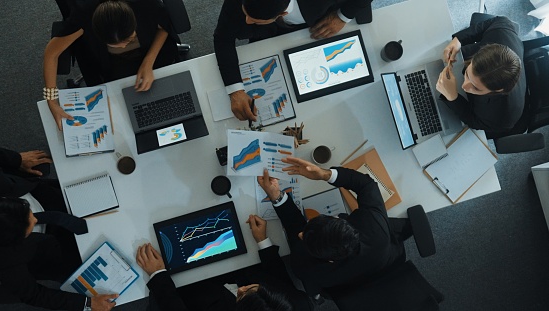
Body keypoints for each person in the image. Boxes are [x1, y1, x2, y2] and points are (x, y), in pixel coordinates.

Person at [257, 156, 405, 296]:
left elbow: (295, 228)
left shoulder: (305, 268)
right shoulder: (375, 226)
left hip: (351, 282)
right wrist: (324, 174)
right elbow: (367, 185)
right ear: (338, 219)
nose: (300, 234)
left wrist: (276, 196)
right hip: (384, 264)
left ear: (330, 261)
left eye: (304, 237)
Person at [213, 0, 373, 121]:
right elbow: (223, 37)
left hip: (317, 21)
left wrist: (343, 16)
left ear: (282, 15)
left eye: (253, 19)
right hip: (267, 35)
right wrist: (235, 90)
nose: (246, 20)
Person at [43, 0, 181, 130]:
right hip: (112, 62)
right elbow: (52, 53)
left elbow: (164, 27)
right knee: (120, 115)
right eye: (114, 44)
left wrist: (148, 62)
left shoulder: (145, 3)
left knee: (171, 98)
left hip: (151, 50)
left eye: (129, 39)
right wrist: (52, 101)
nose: (123, 46)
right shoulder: (85, 14)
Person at [136, 215, 314, 311]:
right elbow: (281, 281)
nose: (242, 288)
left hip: (195, 293)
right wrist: (263, 242)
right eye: (253, 288)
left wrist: (157, 274)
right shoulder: (299, 304)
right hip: (243, 268)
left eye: (243, 295)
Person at [0, 197, 118, 310]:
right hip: (40, 262)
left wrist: (75, 223)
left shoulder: (3, 219)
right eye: (30, 223)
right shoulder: (7, 263)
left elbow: (22, 217)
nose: (35, 220)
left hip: (42, 245)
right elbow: (34, 296)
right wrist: (88, 302)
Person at [435, 15, 525, 138]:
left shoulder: (502, 116)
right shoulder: (501, 34)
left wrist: (453, 97)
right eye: (467, 75)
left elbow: (475, 122)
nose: (464, 86)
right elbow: (500, 20)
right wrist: (458, 40)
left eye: (476, 87)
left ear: (497, 90)